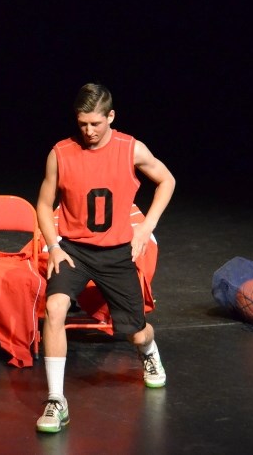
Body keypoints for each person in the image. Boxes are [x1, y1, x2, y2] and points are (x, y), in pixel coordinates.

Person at [34, 83, 175, 433]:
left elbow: (167, 180)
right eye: (82, 124)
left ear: (111, 116)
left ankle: (150, 353)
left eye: (96, 123)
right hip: (75, 251)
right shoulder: (61, 153)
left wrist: (145, 229)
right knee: (54, 308)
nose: (89, 131)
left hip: (116, 254)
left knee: (135, 334)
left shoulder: (131, 148)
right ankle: (56, 400)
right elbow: (42, 203)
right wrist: (53, 246)